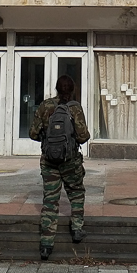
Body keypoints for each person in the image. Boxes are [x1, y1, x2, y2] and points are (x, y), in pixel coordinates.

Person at [29, 74, 90, 260]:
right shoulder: (75, 108)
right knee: (76, 192)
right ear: (72, 90)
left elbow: (32, 133)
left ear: (56, 88)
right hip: (70, 160)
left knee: (50, 200)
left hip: (49, 161)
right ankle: (77, 229)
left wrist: (47, 138)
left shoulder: (45, 105)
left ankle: (46, 244)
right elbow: (82, 136)